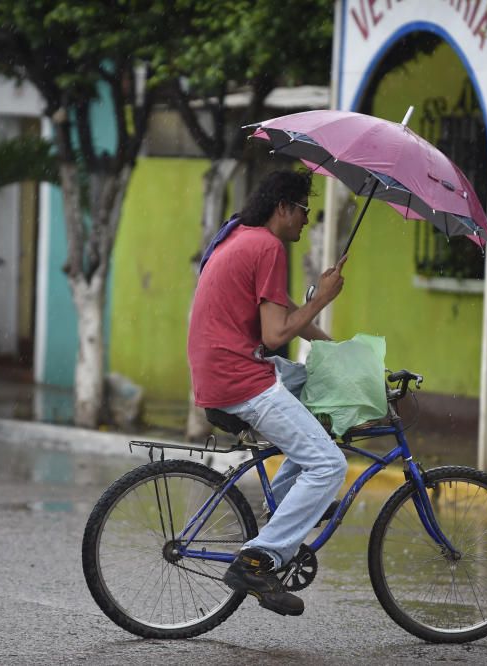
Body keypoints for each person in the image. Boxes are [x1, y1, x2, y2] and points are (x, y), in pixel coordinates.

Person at [187, 169, 349, 617]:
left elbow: (282, 311)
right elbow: (276, 333)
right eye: (304, 211)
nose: (306, 222)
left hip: (221, 367)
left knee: (316, 388)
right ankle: (258, 560)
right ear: (284, 207)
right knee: (329, 465)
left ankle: (288, 507)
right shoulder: (269, 247)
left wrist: (336, 351)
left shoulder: (240, 232)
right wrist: (325, 298)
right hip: (240, 377)